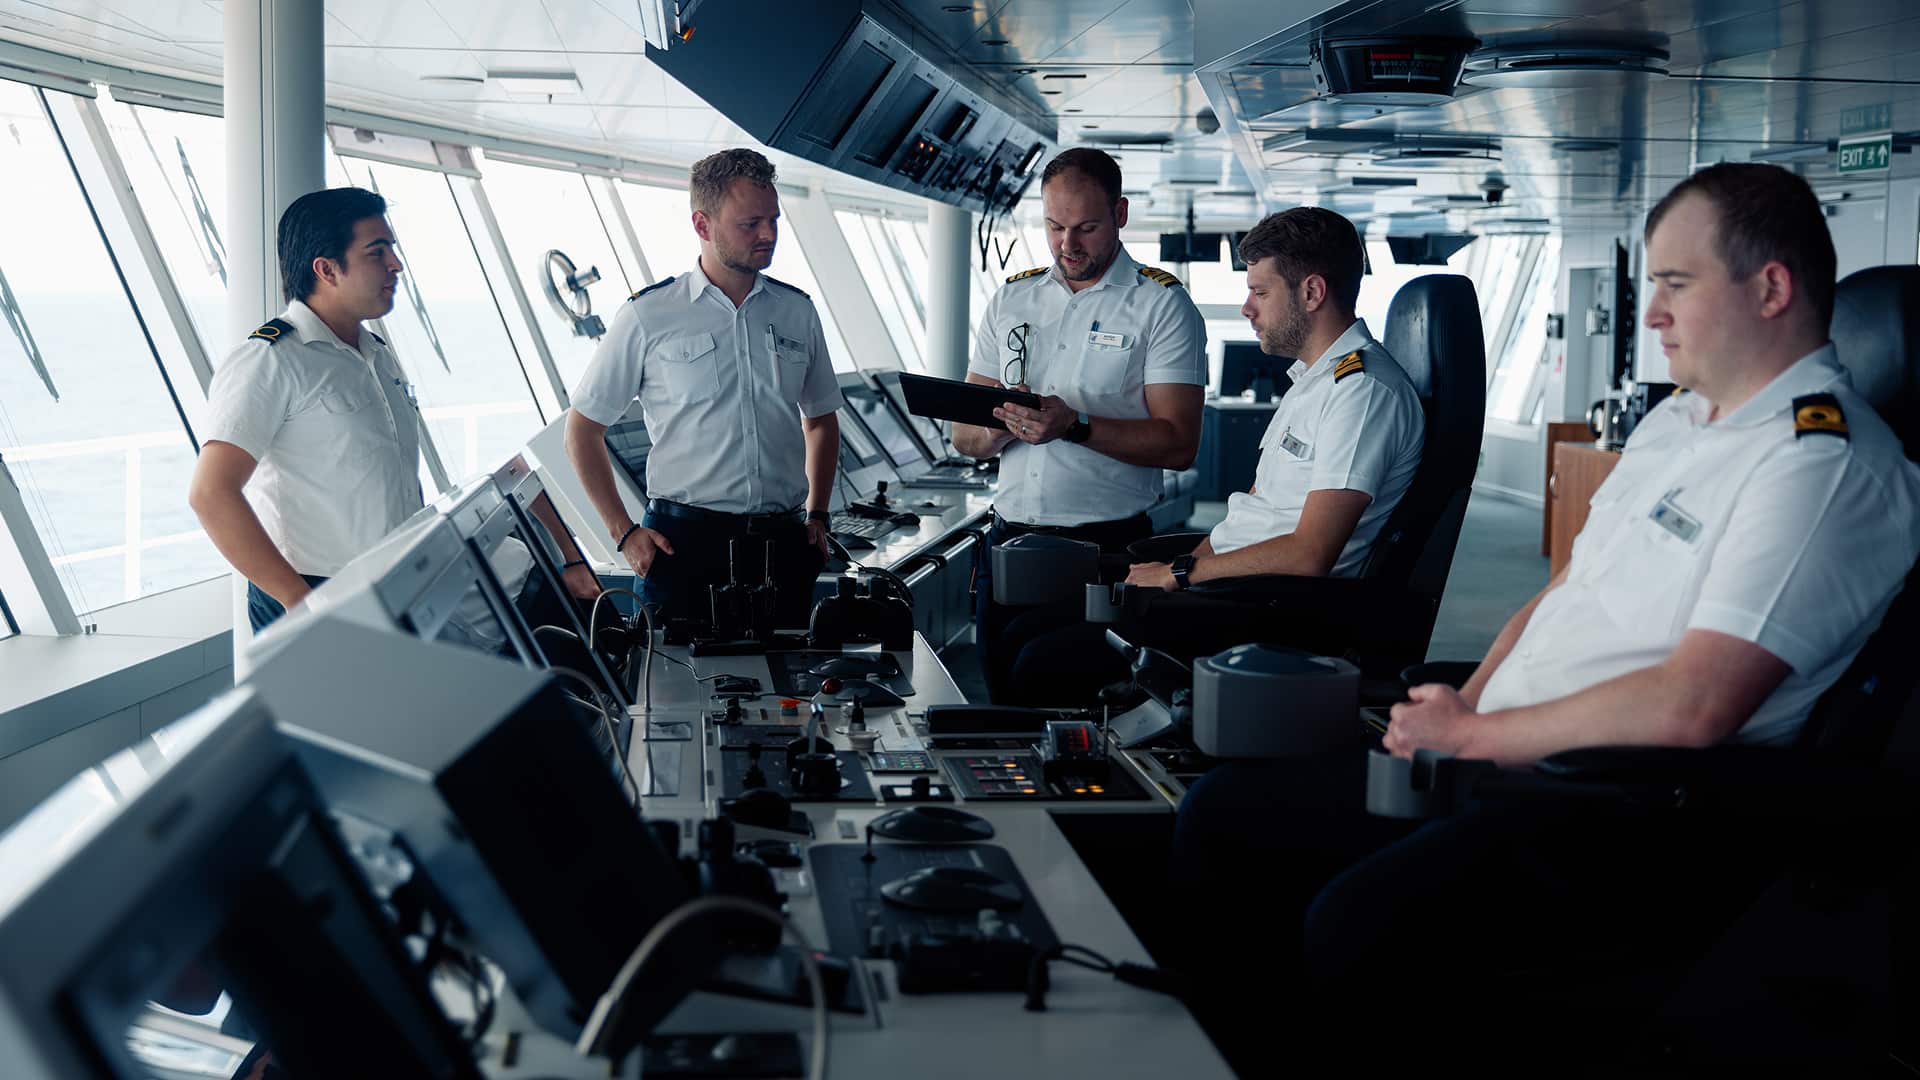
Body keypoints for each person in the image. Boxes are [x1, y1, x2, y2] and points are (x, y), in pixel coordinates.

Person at [1166, 162, 1920, 1070]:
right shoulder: (1683, 424)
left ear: (1771, 288)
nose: (1652, 315)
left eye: (1676, 284)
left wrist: (1479, 739)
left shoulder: (1820, 464)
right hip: (1507, 757)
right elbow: (1562, 596)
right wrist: (1463, 715)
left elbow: (1695, 706)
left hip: (1616, 811)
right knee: (1226, 814)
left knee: (1351, 922)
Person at [999, 207, 1424, 704]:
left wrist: (1179, 576)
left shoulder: (1362, 393)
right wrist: (1181, 567)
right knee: (1027, 629)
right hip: (1237, 586)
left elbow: (1309, 554)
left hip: (1273, 608)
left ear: (1311, 292)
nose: (1247, 308)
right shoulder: (1315, 383)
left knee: (1043, 658)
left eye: (1261, 293)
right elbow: (1256, 520)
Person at [948, 147, 1206, 700]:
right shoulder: (1011, 298)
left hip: (1103, 552)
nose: (1068, 244)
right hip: (1009, 543)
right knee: (1003, 704)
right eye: (1054, 226)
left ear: (1120, 214)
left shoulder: (1161, 305)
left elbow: (1180, 443)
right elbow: (963, 437)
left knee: (1075, 716)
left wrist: (1075, 424)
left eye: (1086, 227)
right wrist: (1000, 426)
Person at [564, 149, 840, 630]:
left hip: (785, 545)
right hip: (685, 548)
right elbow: (582, 430)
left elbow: (820, 419)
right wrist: (624, 533)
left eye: (773, 220)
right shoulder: (648, 316)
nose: (769, 235)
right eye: (750, 223)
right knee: (676, 698)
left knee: (793, 696)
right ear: (702, 224)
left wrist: (818, 513)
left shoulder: (798, 311)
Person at [190, 188, 422, 633]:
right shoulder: (271, 359)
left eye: (391, 248)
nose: (396, 264)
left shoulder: (374, 353)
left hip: (391, 584)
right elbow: (210, 493)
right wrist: (301, 602)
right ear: (327, 269)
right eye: (377, 252)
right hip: (318, 593)